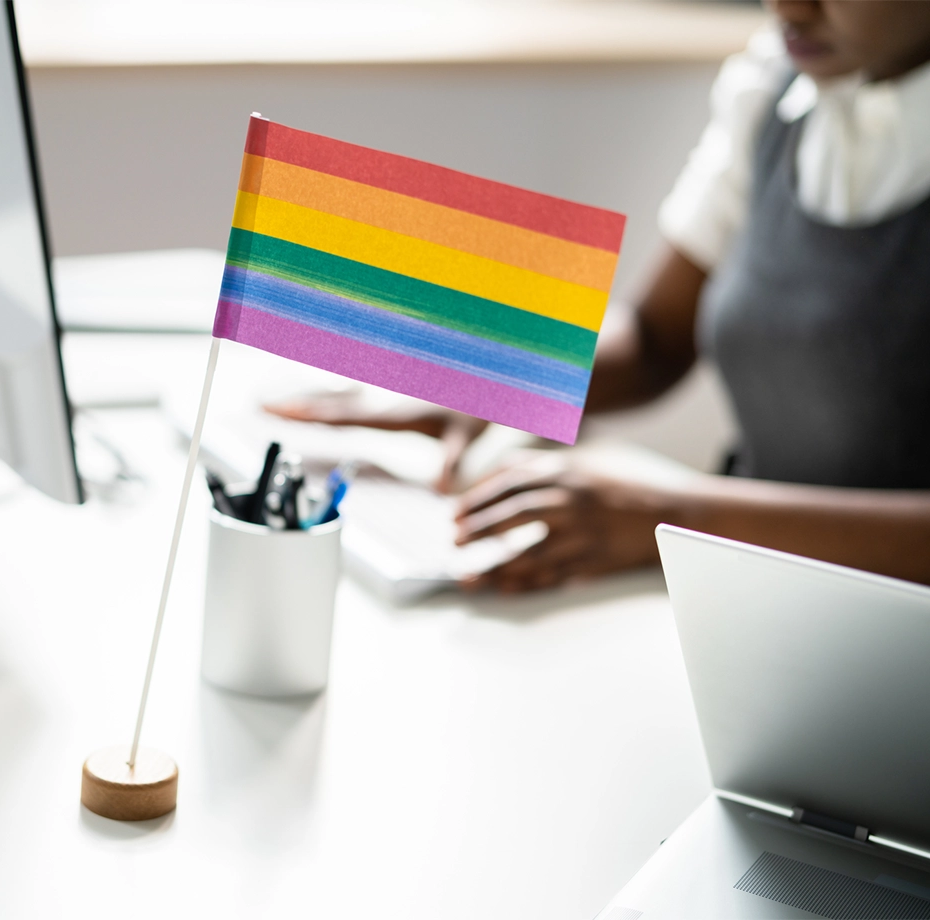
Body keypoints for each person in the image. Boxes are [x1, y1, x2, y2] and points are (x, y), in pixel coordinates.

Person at [269, 0, 930, 592]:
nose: (786, 4)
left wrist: (678, 514)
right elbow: (652, 339)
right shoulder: (775, 90)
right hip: (744, 592)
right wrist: (485, 378)